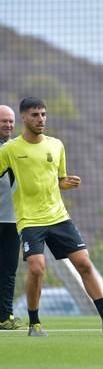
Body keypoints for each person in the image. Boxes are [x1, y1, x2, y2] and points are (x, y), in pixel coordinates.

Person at [0, 98, 103, 337]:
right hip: (29, 220)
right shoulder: (10, 150)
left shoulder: (56, 145)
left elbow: (59, 180)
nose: (41, 119)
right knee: (37, 269)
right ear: (24, 118)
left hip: (58, 217)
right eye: (35, 115)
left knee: (84, 264)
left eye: (44, 114)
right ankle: (35, 324)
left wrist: (65, 183)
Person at [0, 105, 24, 330]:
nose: (7, 125)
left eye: (10, 121)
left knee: (8, 270)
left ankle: (5, 317)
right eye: (3, 121)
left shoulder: (17, 149)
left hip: (12, 220)